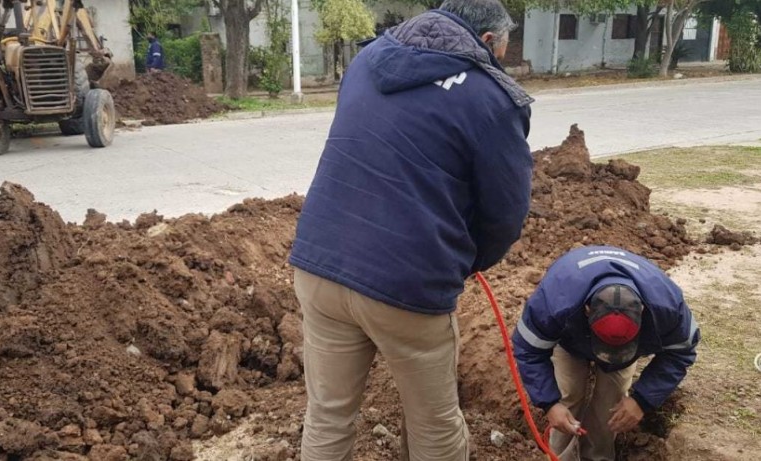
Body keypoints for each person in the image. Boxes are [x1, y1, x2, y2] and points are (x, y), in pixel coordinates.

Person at [289, 0, 534, 459]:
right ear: (486, 42)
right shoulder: (491, 99)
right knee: (435, 423)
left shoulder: (365, 62)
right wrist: (465, 260)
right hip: (407, 284)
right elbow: (506, 214)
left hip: (319, 264)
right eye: (499, 51)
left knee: (327, 415)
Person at [512, 246, 700, 461]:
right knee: (568, 395)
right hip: (570, 339)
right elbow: (528, 350)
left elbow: (681, 353)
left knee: (611, 405)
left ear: (642, 311)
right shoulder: (555, 301)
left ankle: (598, 457)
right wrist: (549, 404)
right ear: (587, 310)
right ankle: (558, 457)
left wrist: (642, 400)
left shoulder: (667, 307)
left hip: (628, 350)